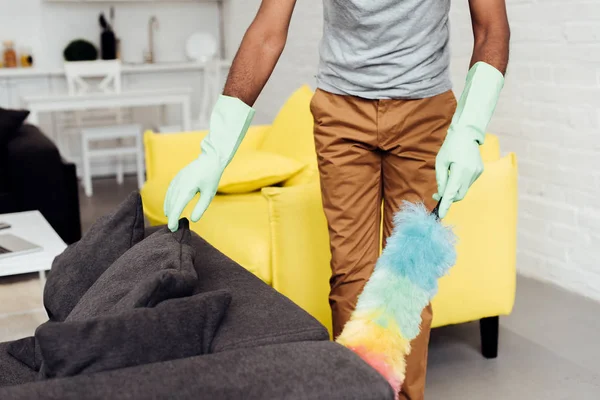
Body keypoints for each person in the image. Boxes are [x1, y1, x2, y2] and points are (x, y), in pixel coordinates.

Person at [163, 1, 510, 398]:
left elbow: (491, 28)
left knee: (408, 276)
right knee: (351, 280)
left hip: (426, 113)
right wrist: (217, 147)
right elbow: (267, 31)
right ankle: (359, 393)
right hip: (341, 113)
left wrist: (469, 128)